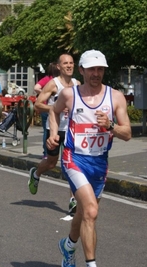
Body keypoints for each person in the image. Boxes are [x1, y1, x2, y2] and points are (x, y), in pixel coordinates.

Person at [50, 50, 131, 267]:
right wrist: (52, 134)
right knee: (91, 211)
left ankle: (68, 245)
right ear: (82, 70)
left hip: (99, 163)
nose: (96, 73)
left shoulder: (115, 97)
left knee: (86, 213)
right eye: (92, 69)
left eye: (100, 69)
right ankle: (91, 264)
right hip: (74, 158)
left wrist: (111, 126)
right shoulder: (69, 95)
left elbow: (128, 133)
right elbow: (54, 111)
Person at [28, 54, 80, 213]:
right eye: (65, 63)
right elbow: (37, 105)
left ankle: (73, 201)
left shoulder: (77, 84)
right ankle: (36, 174)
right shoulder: (53, 84)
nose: (69, 66)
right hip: (55, 129)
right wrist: (55, 108)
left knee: (73, 165)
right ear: (59, 66)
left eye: (71, 63)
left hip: (72, 130)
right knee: (51, 162)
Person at [34, 62, 60, 158]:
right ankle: (48, 152)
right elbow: (36, 87)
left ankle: (46, 153)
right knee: (53, 131)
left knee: (48, 131)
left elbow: (36, 88)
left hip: (47, 108)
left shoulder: (48, 79)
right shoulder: (52, 80)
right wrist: (46, 94)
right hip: (48, 107)